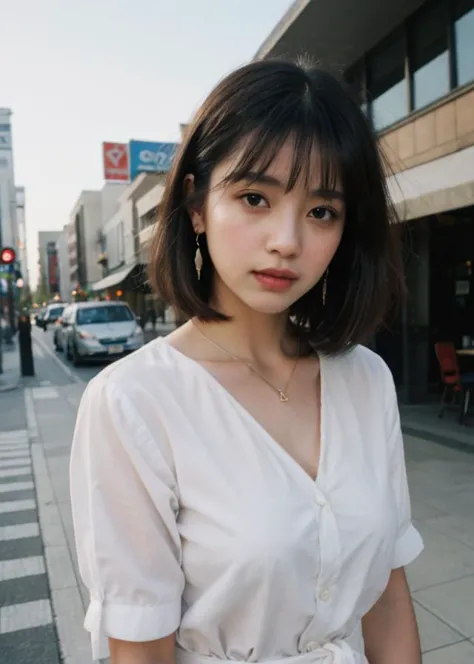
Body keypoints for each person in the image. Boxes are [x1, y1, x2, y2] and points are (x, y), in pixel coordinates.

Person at [70, 58, 424, 664]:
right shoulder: (134, 403)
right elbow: (141, 650)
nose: (287, 240)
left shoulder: (366, 378)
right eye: (255, 197)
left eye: (321, 212)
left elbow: (388, 595)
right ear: (198, 205)